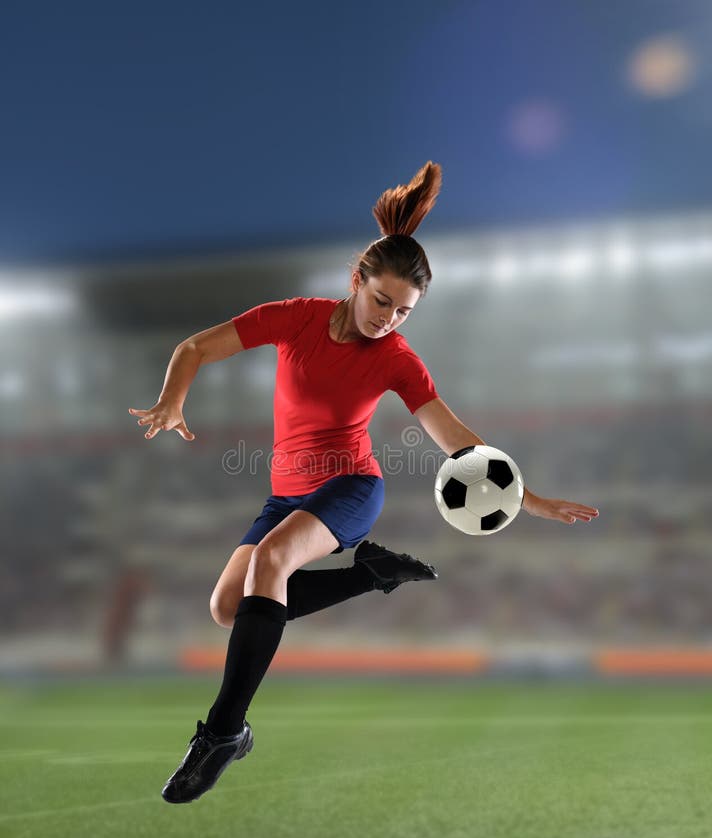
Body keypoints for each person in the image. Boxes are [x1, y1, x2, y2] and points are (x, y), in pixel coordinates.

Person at [129, 161, 598, 804]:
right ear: (356, 282)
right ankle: (369, 575)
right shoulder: (293, 318)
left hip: (350, 486)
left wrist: (525, 496)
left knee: (272, 561)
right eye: (381, 301)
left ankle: (222, 734)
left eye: (404, 311)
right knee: (226, 607)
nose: (388, 319)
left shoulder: (397, 359)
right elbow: (194, 349)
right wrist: (172, 401)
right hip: (285, 494)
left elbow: (455, 435)